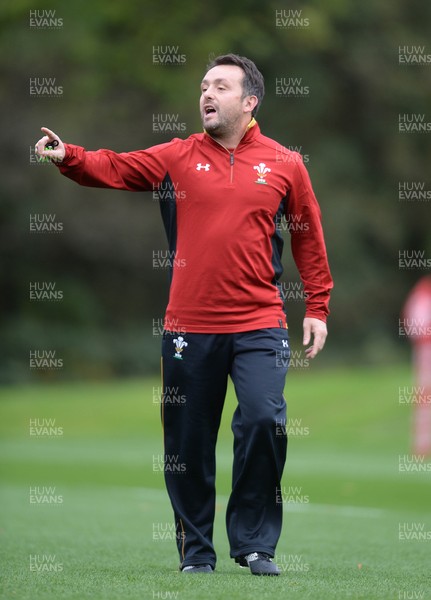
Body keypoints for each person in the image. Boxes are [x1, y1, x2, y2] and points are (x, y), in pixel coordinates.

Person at [35, 53, 333, 576]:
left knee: (264, 420)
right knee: (188, 442)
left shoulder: (286, 163)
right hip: (188, 327)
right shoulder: (177, 155)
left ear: (250, 101)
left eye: (220, 85)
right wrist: (69, 156)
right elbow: (117, 167)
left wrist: (318, 306)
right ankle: (197, 552)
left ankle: (255, 545)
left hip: (260, 322)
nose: (207, 94)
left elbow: (309, 235)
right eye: (203, 86)